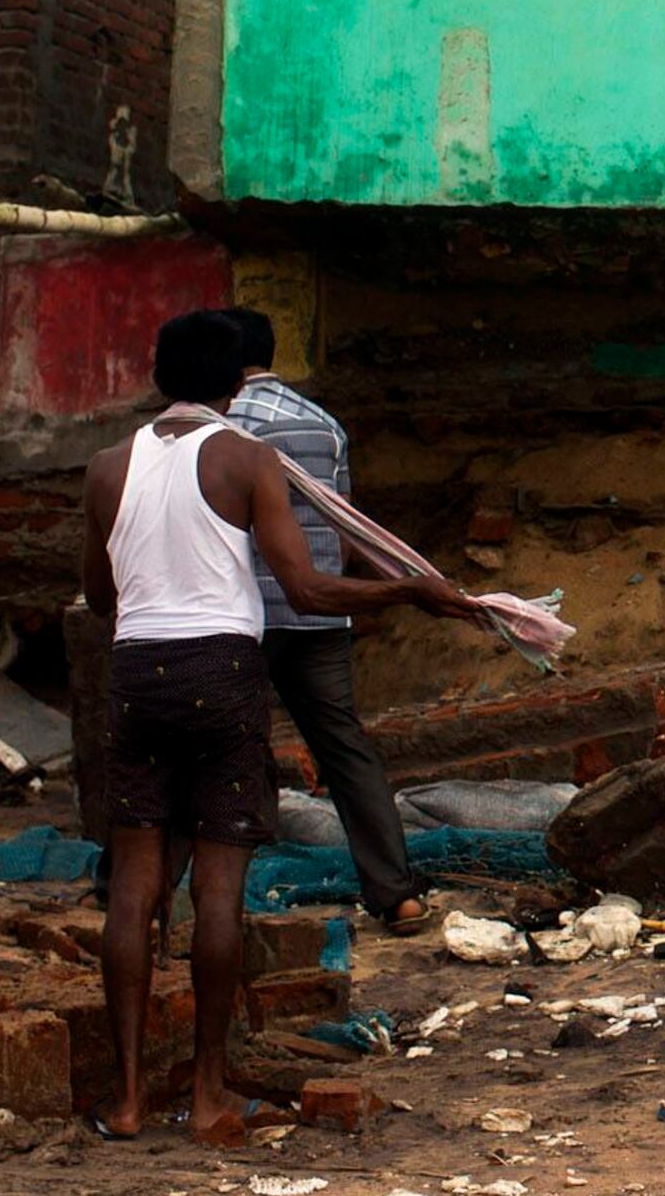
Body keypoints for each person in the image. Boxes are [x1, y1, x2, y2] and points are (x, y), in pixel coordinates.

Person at [83, 309, 486, 1146]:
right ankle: (206, 1097)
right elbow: (305, 591)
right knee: (220, 887)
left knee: (133, 886)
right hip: (221, 672)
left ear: (160, 376)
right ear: (237, 384)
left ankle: (124, 1102)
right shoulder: (247, 457)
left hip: (133, 674)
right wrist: (407, 591)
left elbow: (99, 598)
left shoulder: (106, 466)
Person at [224, 308, 428, 936]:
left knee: (230, 749)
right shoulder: (324, 425)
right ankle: (397, 894)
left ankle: (220, 896)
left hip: (243, 615)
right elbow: (341, 531)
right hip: (319, 616)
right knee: (345, 749)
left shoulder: (219, 431)